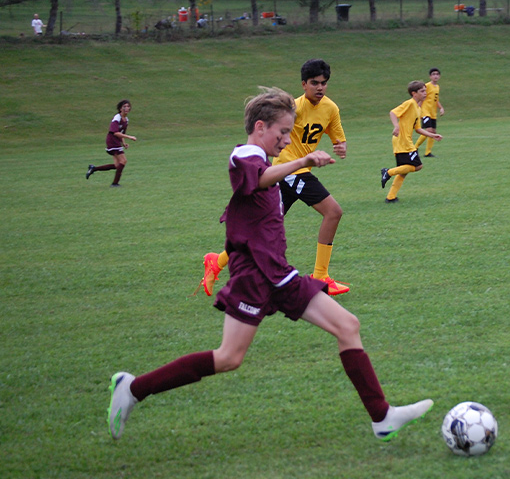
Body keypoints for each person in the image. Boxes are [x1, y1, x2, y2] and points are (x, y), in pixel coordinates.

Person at [107, 87, 433, 442]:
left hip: (278, 272)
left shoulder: (263, 158)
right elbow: (259, 179)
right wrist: (303, 161)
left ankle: (381, 417)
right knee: (229, 357)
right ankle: (133, 388)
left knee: (347, 325)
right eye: (282, 132)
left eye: (290, 133)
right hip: (254, 275)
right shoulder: (244, 156)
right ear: (260, 127)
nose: (286, 139)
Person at [199, 60, 349, 298]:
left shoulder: (331, 108)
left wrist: (341, 147)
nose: (319, 88)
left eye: (323, 83)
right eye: (314, 83)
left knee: (257, 227)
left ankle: (217, 261)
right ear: (303, 84)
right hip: (288, 170)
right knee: (333, 212)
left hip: (295, 173)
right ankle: (321, 276)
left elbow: (338, 137)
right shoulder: (293, 109)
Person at [381, 81, 442, 203]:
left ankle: (391, 197)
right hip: (403, 141)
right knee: (417, 166)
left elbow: (418, 129)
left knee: (404, 170)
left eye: (425, 90)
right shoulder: (409, 103)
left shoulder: (418, 108)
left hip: (404, 141)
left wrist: (432, 134)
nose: (425, 93)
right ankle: (387, 172)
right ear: (414, 93)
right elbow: (393, 113)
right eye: (422, 91)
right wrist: (396, 126)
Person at [86, 100, 137, 186]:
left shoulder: (126, 119)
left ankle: (93, 168)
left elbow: (121, 132)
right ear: (120, 108)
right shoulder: (117, 117)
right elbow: (115, 132)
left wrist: (124, 143)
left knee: (117, 165)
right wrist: (130, 137)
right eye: (124, 106)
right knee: (123, 161)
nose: (126, 108)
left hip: (116, 141)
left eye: (128, 106)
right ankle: (115, 183)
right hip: (112, 141)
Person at [413, 68, 445, 158]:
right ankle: (414, 148)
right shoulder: (426, 86)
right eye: (433, 74)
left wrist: (441, 108)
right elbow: (420, 97)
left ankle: (428, 152)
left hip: (433, 112)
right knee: (428, 131)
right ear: (430, 76)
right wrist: (417, 109)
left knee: (433, 131)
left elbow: (436, 99)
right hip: (425, 111)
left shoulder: (437, 87)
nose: (435, 76)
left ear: (439, 76)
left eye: (437, 74)